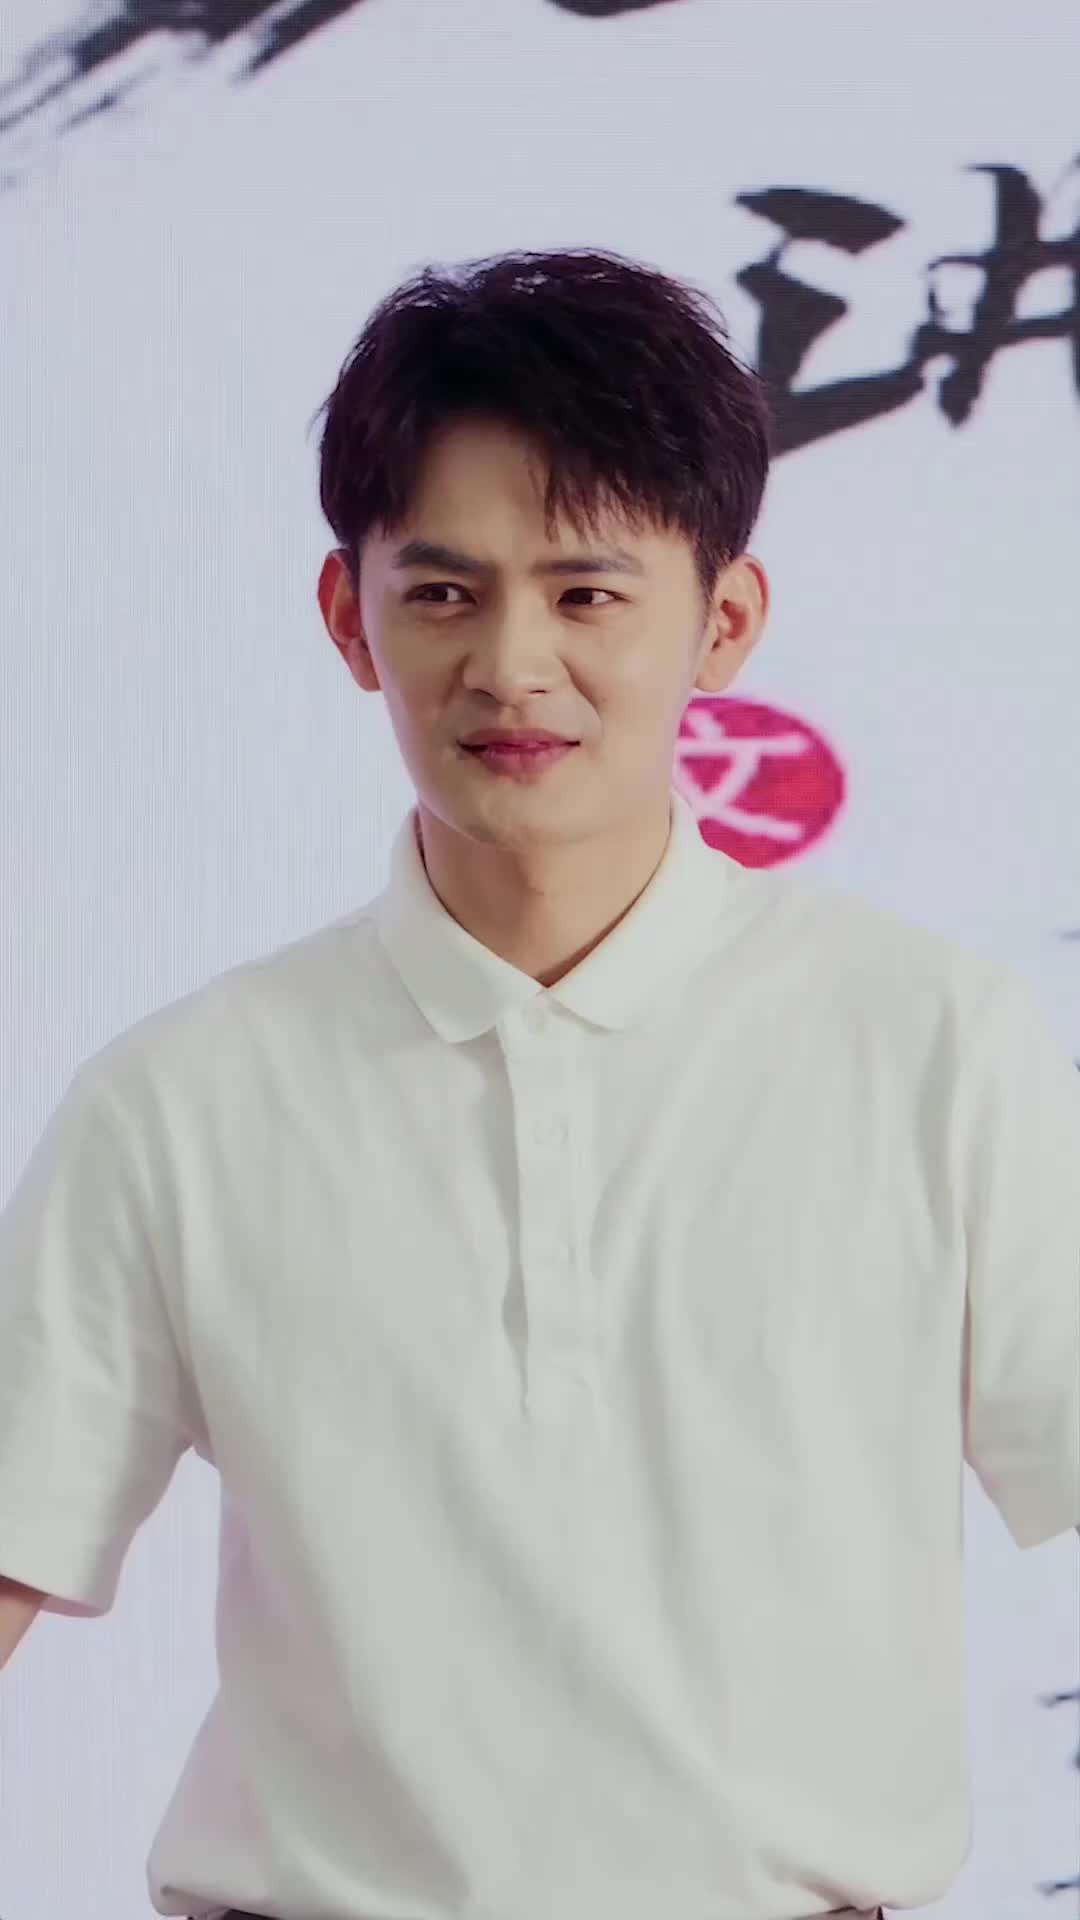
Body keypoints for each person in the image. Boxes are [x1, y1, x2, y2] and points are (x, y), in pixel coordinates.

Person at [0, 247, 1077, 1920]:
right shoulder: (177, 1102)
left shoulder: (942, 1047)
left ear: (724, 621)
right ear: (348, 618)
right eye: (444, 593)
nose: (511, 666)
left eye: (586, 595)